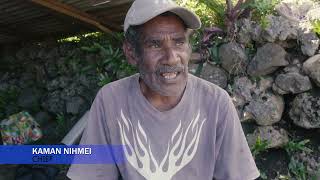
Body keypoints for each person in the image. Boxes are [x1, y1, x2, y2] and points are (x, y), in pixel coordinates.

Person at [67, 0, 260, 179]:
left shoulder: (216, 102)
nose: (171, 57)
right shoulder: (111, 100)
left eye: (178, 42)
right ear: (132, 53)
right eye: (155, 44)